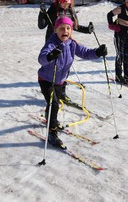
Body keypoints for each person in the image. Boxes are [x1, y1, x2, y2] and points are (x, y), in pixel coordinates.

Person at [38, 17, 107, 146]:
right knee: (54, 104)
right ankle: (52, 132)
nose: (65, 31)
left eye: (68, 28)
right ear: (56, 30)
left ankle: (50, 118)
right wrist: (50, 56)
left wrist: (97, 52)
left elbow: (85, 53)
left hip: (59, 81)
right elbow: (41, 58)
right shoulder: (51, 43)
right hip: (47, 79)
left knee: (54, 102)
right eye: (62, 28)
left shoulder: (72, 43)